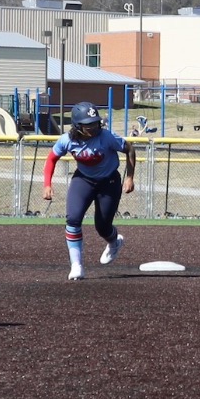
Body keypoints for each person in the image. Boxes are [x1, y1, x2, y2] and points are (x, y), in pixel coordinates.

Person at [42, 102, 136, 281]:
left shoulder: (106, 137)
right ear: (77, 125)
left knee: (102, 227)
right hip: (83, 179)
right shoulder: (67, 140)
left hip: (108, 181)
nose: (93, 127)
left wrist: (130, 177)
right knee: (73, 218)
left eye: (95, 123)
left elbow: (129, 149)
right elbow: (52, 158)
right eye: (88, 124)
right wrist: (47, 184)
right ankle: (76, 266)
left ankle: (114, 241)